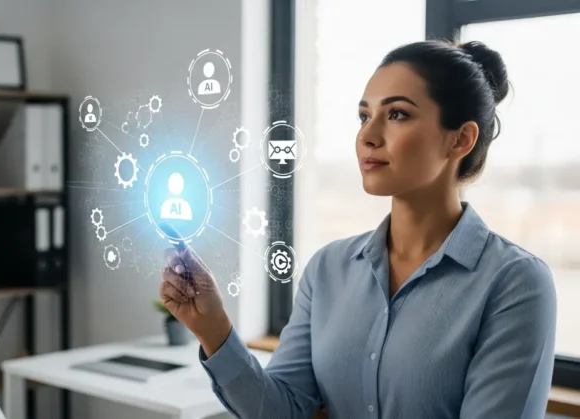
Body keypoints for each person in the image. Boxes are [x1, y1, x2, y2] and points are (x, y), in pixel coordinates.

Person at [159, 39, 557, 419]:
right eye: (364, 116)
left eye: (397, 114)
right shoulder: (328, 269)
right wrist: (213, 328)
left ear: (461, 139)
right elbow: (281, 410)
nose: (367, 136)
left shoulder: (515, 283)